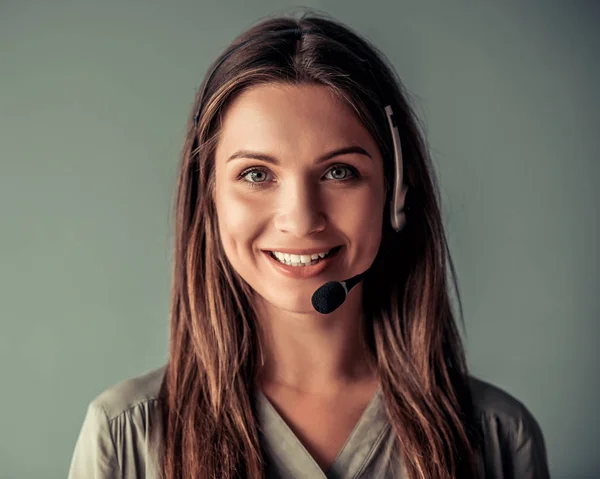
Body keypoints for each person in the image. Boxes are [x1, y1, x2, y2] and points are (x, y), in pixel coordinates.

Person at [67, 11, 550, 479]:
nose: (300, 219)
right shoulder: (122, 437)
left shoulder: (499, 436)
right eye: (256, 174)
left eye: (339, 172)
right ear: (208, 197)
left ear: (396, 193)